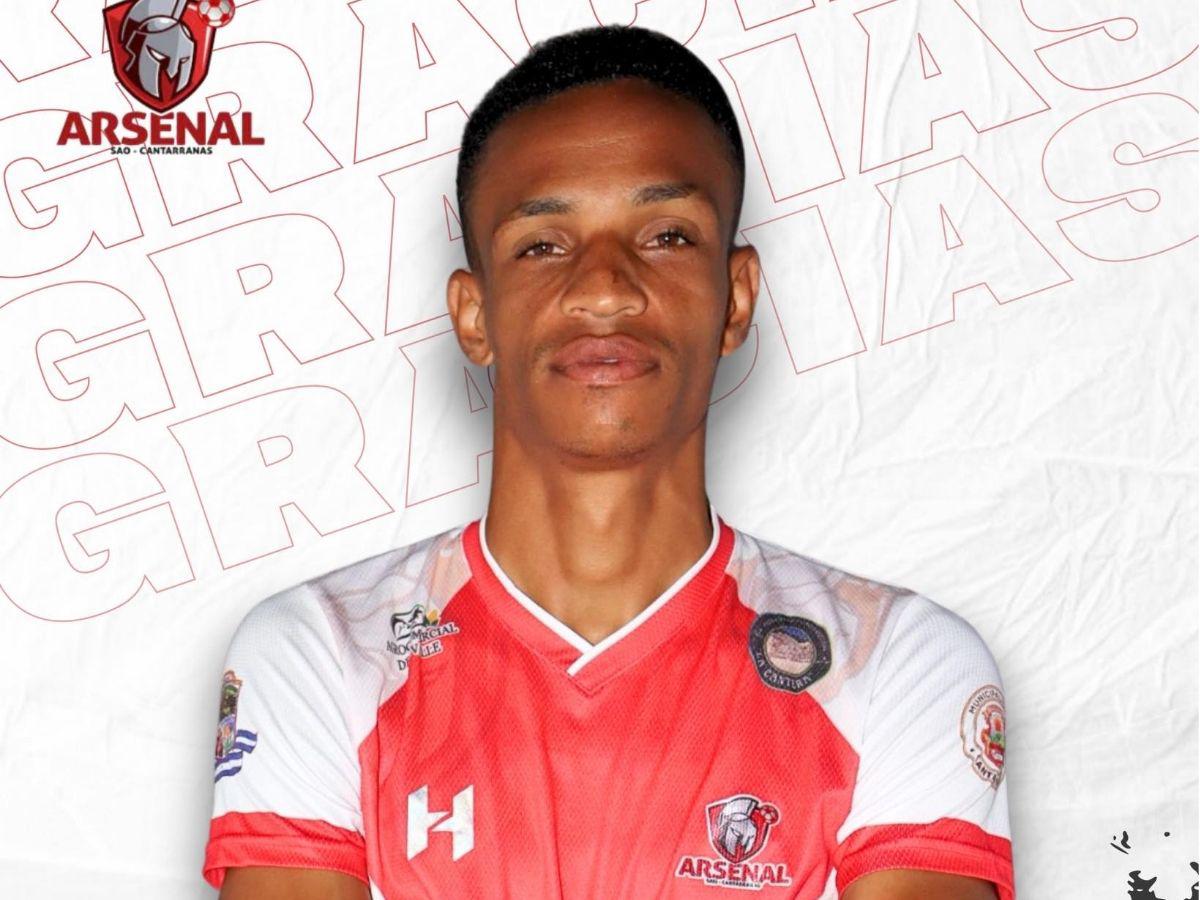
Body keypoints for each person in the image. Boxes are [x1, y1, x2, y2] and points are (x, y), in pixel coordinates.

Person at [202, 23, 1013, 900]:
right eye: (542, 245)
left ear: (736, 298)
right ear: (473, 316)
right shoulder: (323, 647)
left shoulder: (893, 660)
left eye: (666, 236)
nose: (604, 288)